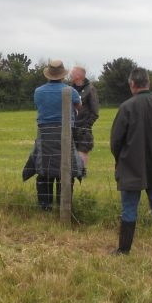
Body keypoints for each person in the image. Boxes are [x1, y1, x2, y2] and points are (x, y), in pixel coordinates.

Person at [110, 68, 152, 257]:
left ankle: (124, 250)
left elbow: (116, 141)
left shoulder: (127, 107)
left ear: (132, 84)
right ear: (148, 83)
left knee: (129, 208)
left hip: (131, 165)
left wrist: (121, 159)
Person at [23, 60, 83, 210]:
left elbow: (38, 106)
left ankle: (45, 205)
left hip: (44, 135)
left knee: (44, 169)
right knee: (66, 169)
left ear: (48, 74)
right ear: (62, 75)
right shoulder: (71, 91)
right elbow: (79, 108)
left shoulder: (38, 91)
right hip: (66, 134)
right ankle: (64, 205)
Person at [69, 63, 99, 167]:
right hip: (71, 126)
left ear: (78, 76)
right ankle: (72, 171)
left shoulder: (90, 89)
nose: (70, 75)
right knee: (70, 151)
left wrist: (87, 125)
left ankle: (81, 172)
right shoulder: (69, 89)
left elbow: (95, 112)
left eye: (72, 73)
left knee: (83, 149)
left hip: (84, 127)